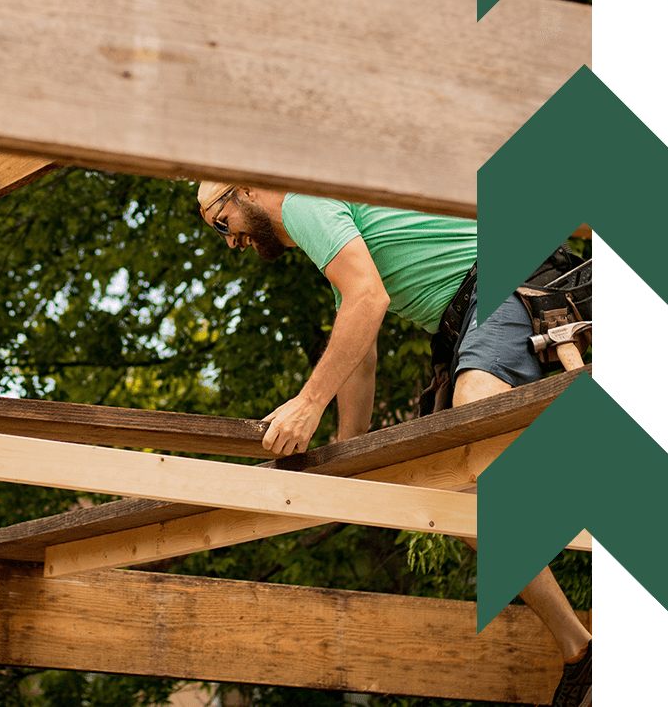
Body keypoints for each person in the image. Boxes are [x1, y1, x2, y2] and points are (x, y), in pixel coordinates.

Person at [196, 181, 592, 707]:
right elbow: (360, 345)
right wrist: (345, 451)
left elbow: (369, 299)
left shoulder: (303, 200)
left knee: (473, 415)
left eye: (221, 223)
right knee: (460, 496)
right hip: (473, 318)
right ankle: (578, 646)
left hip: (512, 281)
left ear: (244, 191)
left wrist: (308, 403)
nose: (230, 242)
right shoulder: (333, 238)